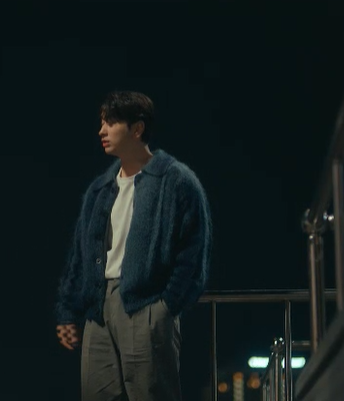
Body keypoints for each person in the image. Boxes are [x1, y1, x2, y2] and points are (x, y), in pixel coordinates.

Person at [55, 90, 213, 401]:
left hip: (146, 306)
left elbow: (193, 252)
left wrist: (165, 307)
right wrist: (67, 311)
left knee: (151, 394)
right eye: (102, 122)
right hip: (98, 311)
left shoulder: (175, 180)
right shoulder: (100, 189)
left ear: (137, 128)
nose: (101, 131)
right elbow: (79, 257)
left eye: (111, 122)